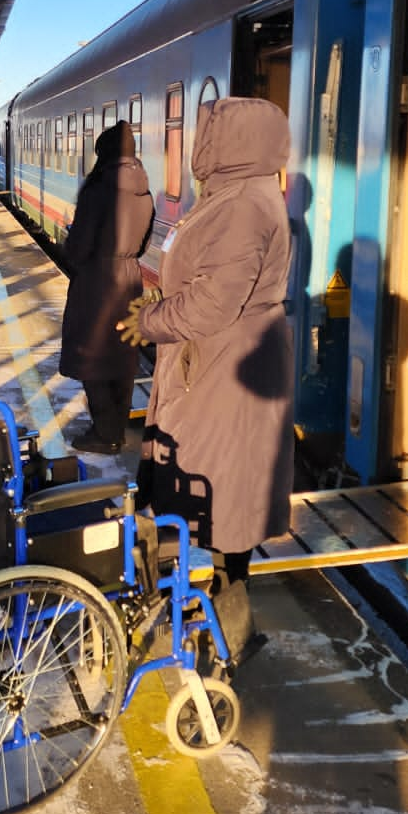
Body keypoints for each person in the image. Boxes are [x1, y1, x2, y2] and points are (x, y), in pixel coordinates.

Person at [117, 96, 293, 666]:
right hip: (215, 367)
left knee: (219, 495)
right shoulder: (233, 197)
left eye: (208, 133)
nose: (197, 145)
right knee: (216, 492)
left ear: (228, 141)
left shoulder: (242, 205)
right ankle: (221, 619)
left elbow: (214, 303)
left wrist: (150, 321)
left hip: (224, 372)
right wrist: (163, 300)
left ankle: (228, 637)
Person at [59, 121, 154, 455]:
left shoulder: (98, 189)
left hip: (98, 282)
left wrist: (73, 242)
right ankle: (115, 426)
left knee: (92, 354)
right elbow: (142, 245)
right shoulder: (144, 190)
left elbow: (79, 247)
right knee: (124, 352)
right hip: (130, 277)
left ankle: (105, 433)